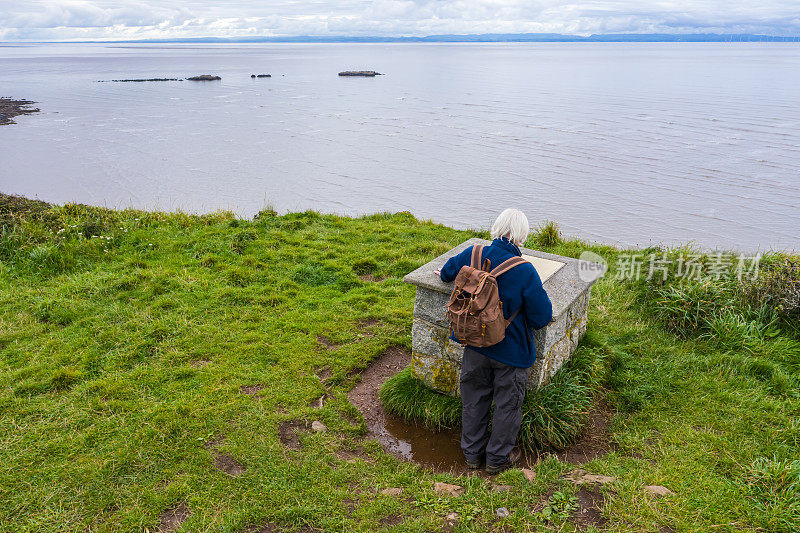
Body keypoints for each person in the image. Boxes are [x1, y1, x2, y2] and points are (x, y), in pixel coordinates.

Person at [438, 208, 552, 474]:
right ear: (521, 237)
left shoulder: (473, 254)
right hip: (511, 352)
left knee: (474, 399)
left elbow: (446, 272)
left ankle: (471, 454)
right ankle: (497, 459)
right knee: (507, 405)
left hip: (474, 344)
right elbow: (541, 316)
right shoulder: (524, 270)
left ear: (497, 228)